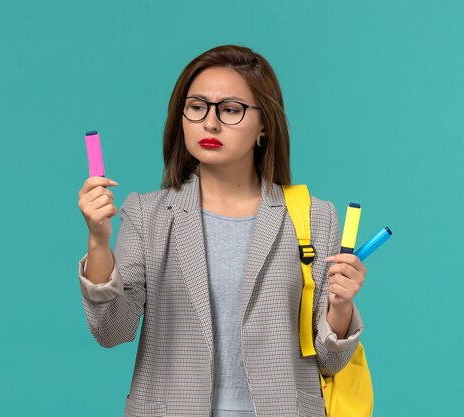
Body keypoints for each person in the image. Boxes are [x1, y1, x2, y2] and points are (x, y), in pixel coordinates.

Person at [77, 45, 367, 417]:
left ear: (264, 125)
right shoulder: (147, 214)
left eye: (230, 110)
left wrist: (341, 305)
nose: (210, 123)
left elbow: (329, 361)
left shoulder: (315, 217)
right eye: (197, 107)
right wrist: (99, 242)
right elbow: (111, 331)